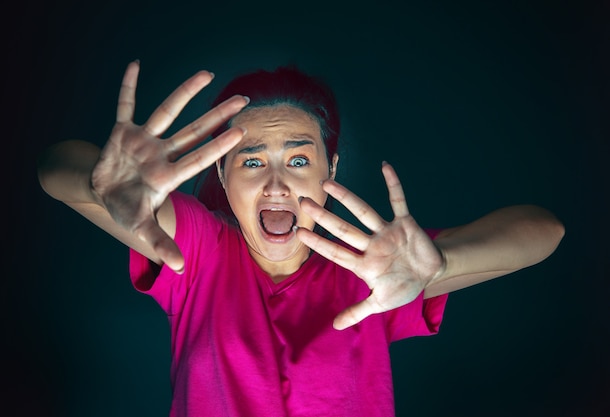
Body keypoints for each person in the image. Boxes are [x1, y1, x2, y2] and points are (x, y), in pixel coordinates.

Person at [37, 60, 565, 417]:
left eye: (297, 159)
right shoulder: (197, 250)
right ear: (221, 176)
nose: (275, 184)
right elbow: (55, 169)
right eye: (250, 161)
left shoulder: (372, 267)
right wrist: (101, 185)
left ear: (328, 170)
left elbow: (545, 231)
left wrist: (443, 263)